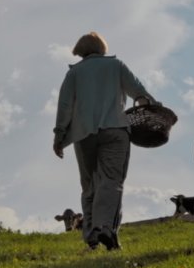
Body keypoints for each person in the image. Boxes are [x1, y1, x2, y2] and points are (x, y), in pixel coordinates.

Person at [53, 31, 157, 250]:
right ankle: (104, 229)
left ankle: (91, 234)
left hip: (83, 135)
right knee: (111, 180)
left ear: (80, 51)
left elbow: (64, 107)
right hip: (115, 130)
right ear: (102, 48)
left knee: (90, 185)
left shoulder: (74, 74)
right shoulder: (116, 66)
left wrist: (59, 136)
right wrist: (155, 110)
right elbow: (140, 93)